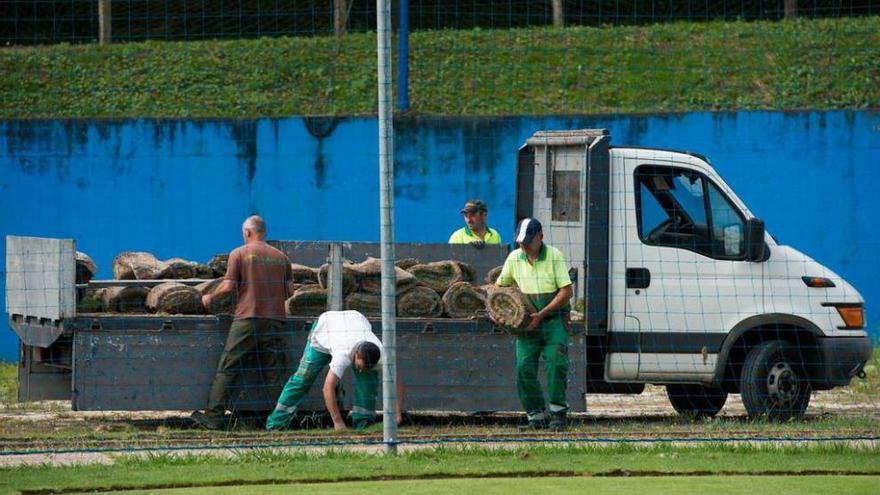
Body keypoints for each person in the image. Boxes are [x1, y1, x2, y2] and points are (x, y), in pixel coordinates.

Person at [191, 215, 294, 430]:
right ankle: (280, 419)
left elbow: (228, 286)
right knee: (274, 371)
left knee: (228, 366)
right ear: (263, 232)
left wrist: (209, 298)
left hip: (247, 318)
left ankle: (214, 415)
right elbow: (289, 292)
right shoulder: (282, 258)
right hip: (275, 320)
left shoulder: (239, 253)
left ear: (247, 232)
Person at [266, 310, 404, 431]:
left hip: (355, 319)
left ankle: (363, 424)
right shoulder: (342, 355)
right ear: (356, 355)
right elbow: (328, 388)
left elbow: (396, 380)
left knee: (368, 382)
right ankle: (276, 424)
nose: (361, 371)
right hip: (324, 331)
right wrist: (338, 422)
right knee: (303, 379)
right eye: (360, 367)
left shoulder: (382, 355)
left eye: (367, 367)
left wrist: (397, 414)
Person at [495, 218, 573, 431]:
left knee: (556, 363)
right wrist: (498, 311)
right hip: (527, 323)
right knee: (523, 367)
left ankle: (558, 414)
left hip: (554, 319)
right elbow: (499, 287)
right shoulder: (514, 257)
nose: (524, 245)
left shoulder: (554, 256)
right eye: (521, 241)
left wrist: (542, 314)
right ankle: (536, 416)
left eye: (528, 240)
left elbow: (566, 292)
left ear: (541, 237)